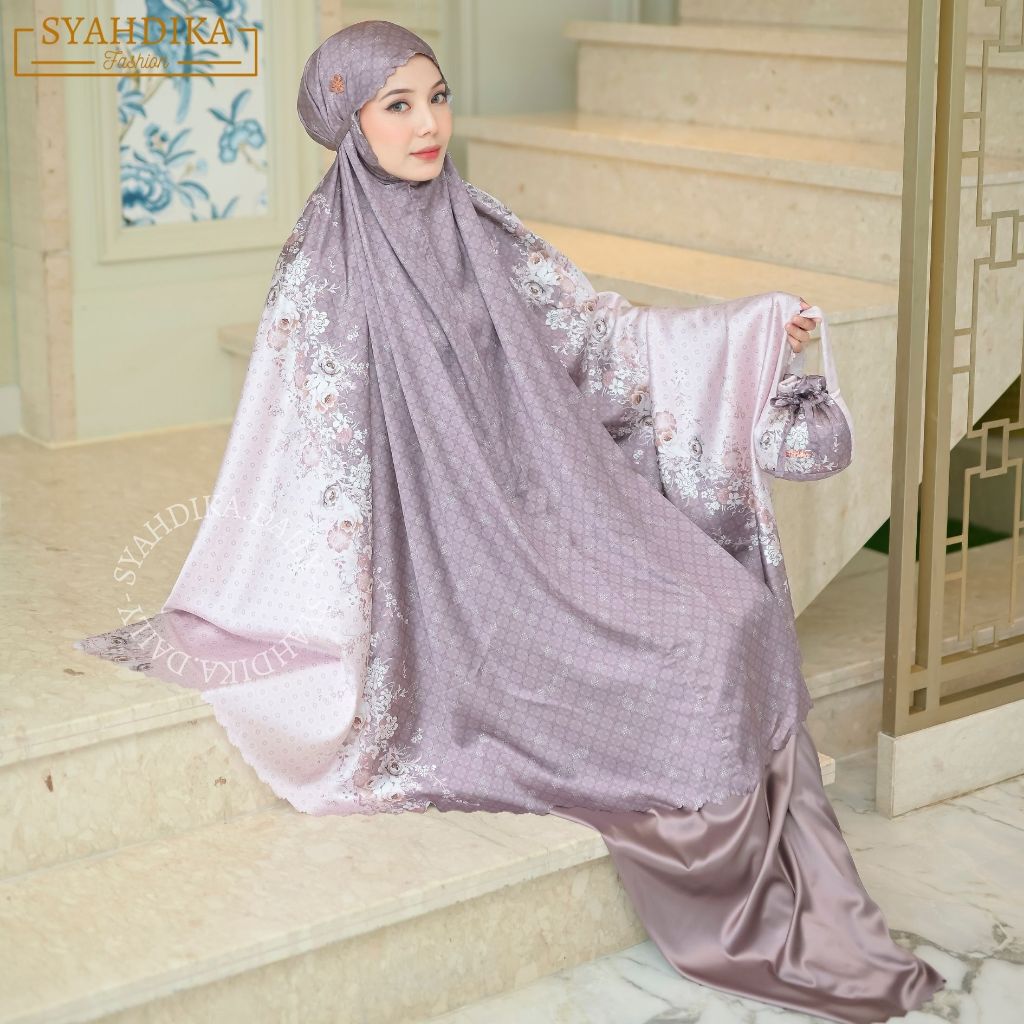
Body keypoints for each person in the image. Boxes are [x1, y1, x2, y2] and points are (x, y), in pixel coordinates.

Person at [73, 20, 946, 1023]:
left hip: (564, 505)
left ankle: (774, 882)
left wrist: (749, 330)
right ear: (348, 122)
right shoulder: (320, 274)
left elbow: (595, 341)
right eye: (398, 105)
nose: (428, 124)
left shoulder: (479, 223)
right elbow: (300, 461)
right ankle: (728, 898)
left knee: (729, 611)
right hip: (441, 556)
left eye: (437, 97)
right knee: (684, 652)